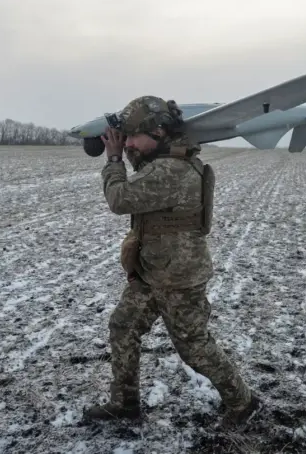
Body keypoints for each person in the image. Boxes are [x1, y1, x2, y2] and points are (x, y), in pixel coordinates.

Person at [82, 96, 260, 427]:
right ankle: (125, 403)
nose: (130, 142)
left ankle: (244, 403)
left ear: (160, 131)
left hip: (179, 278)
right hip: (153, 272)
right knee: (124, 326)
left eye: (134, 136)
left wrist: (114, 158)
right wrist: (127, 146)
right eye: (127, 137)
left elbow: (119, 198)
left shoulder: (171, 170)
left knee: (195, 349)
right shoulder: (169, 160)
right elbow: (143, 167)